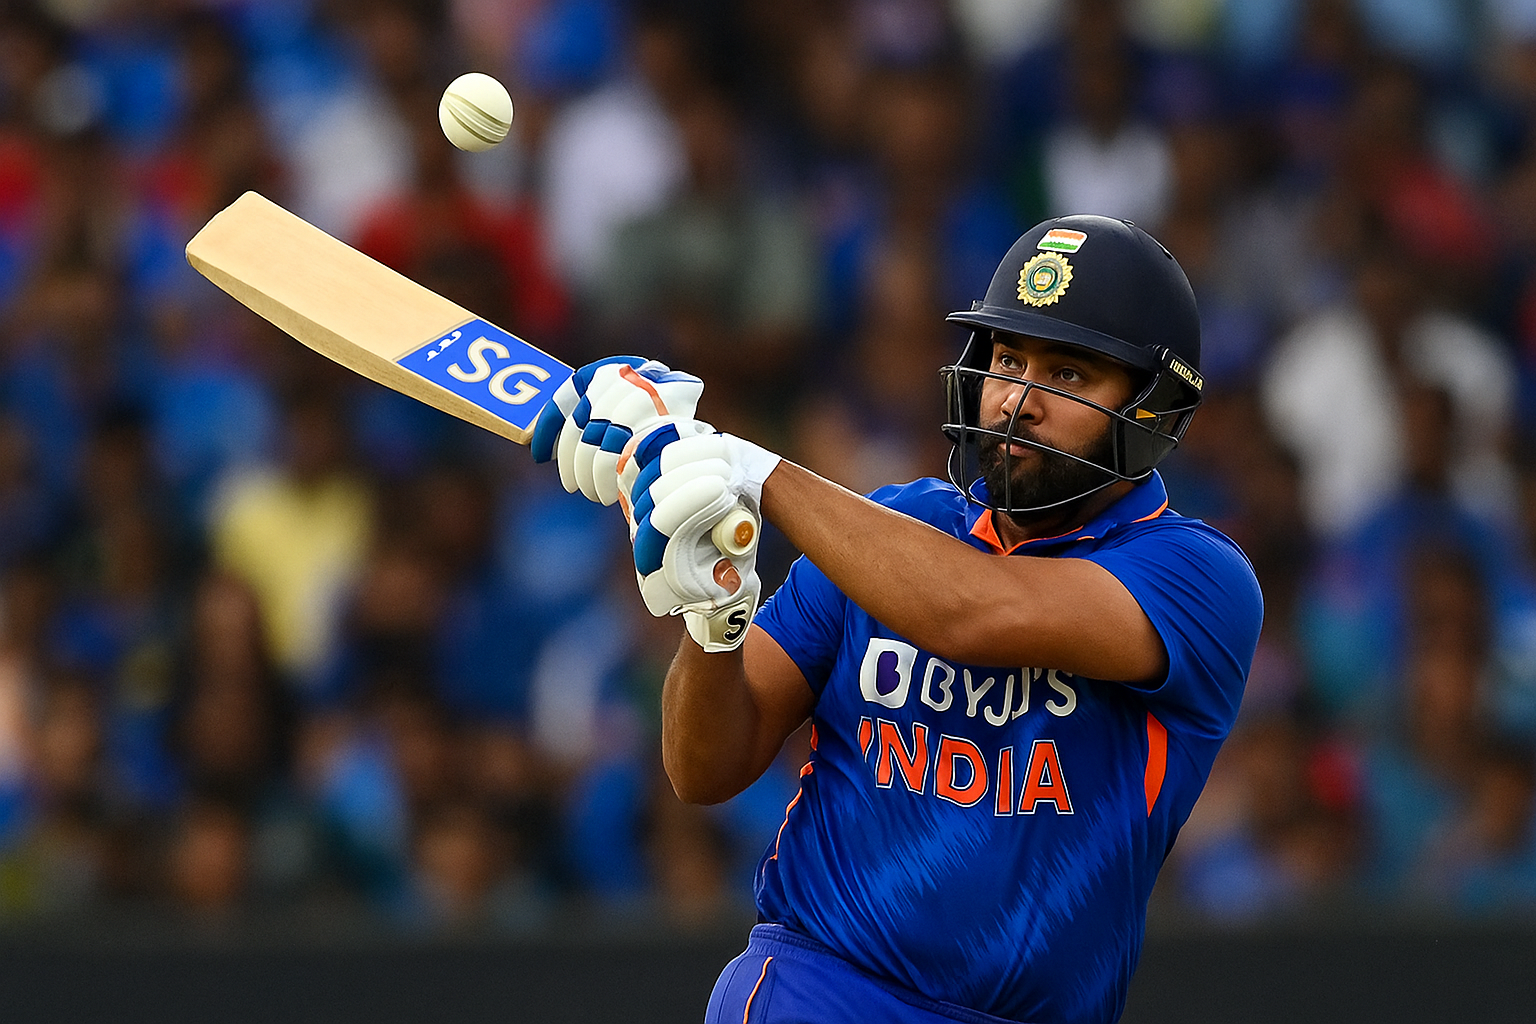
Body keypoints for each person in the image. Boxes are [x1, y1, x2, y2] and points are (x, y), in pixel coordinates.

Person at [533, 215, 1263, 1024]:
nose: (1017, 401)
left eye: (1067, 373)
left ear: (1154, 409)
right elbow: (702, 770)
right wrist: (714, 619)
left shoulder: (1197, 577)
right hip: (820, 993)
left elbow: (974, 611)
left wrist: (746, 464)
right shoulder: (890, 527)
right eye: (1008, 360)